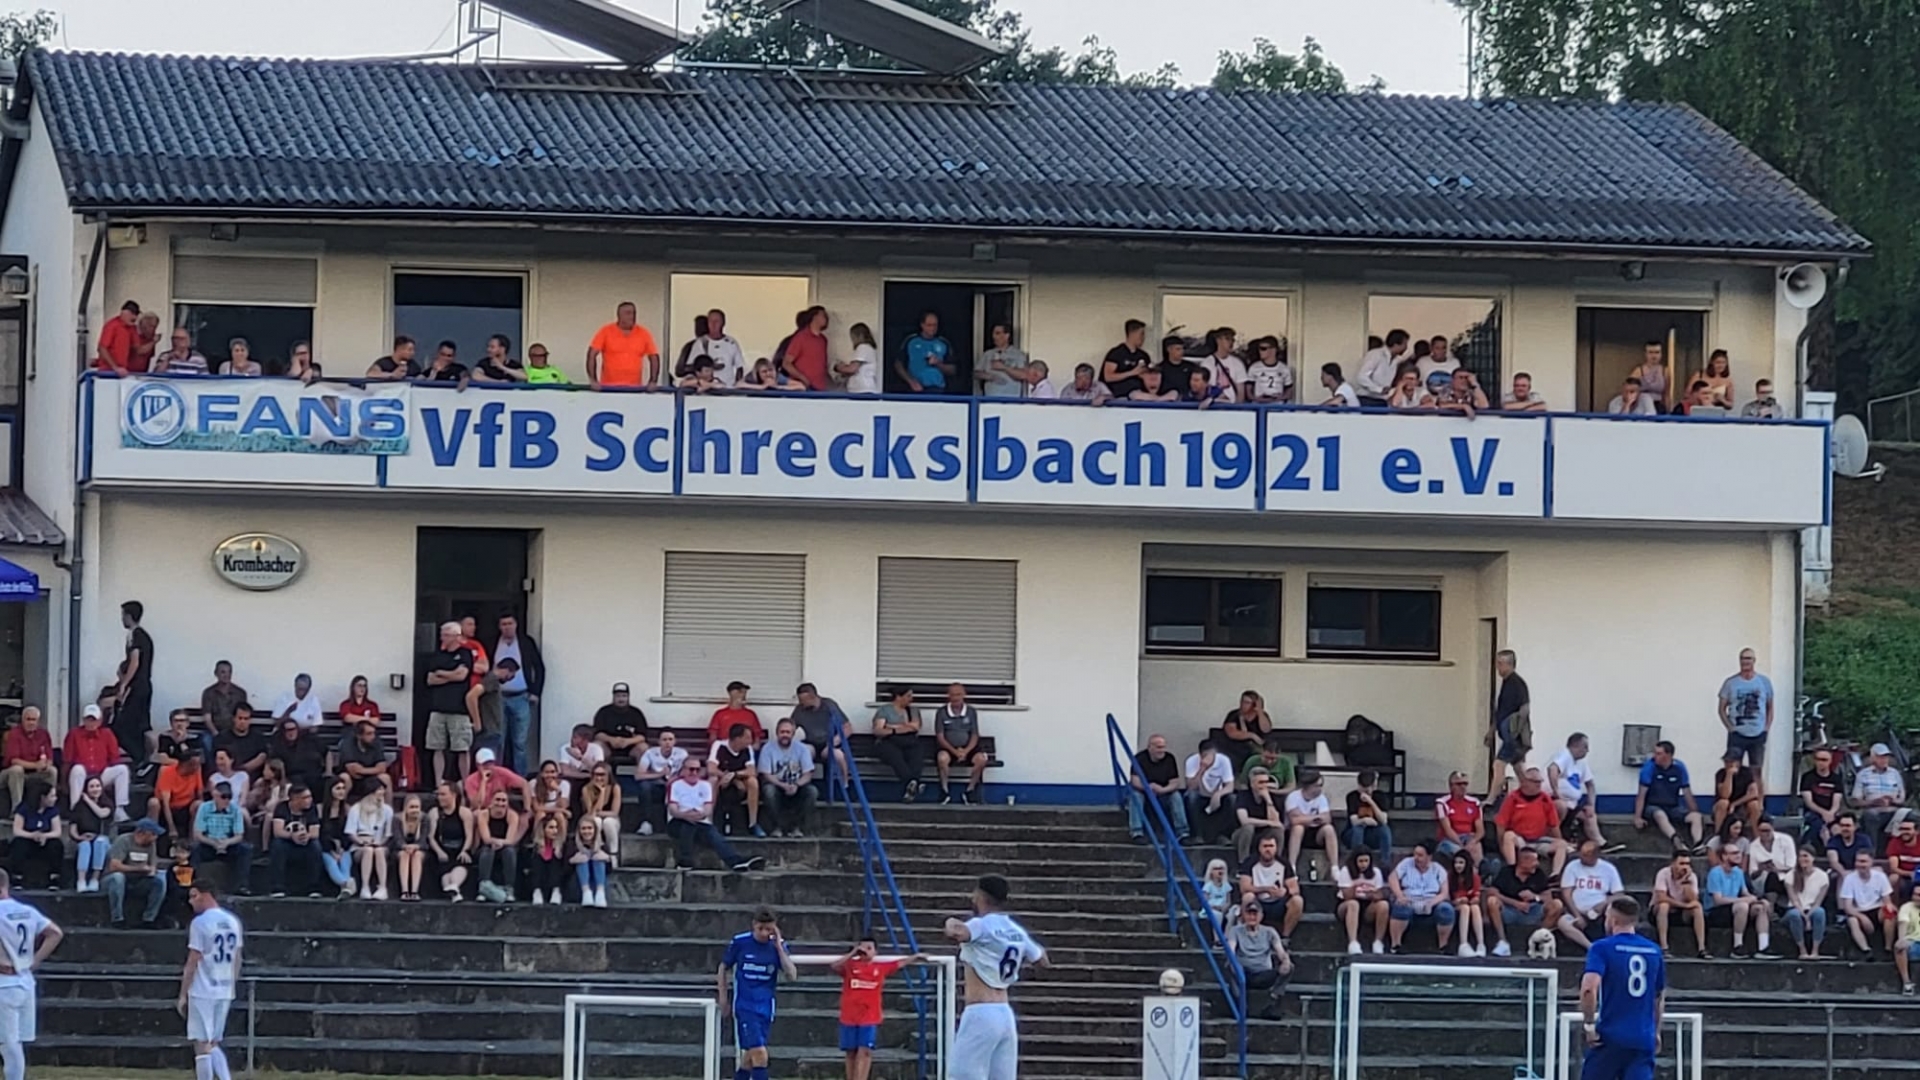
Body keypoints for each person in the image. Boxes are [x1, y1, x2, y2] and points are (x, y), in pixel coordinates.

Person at [945, 874, 1046, 1080]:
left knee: (961, 1075)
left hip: (980, 1011)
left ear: (981, 896)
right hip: (1005, 1013)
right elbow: (1042, 959)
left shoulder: (980, 925)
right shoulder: (1015, 930)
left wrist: (950, 921)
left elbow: (957, 933)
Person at [1578, 896, 1665, 1080]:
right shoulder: (1654, 950)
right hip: (1642, 1038)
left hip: (1610, 1036)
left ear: (1613, 920)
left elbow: (1589, 989)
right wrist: (1656, 1031)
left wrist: (1589, 1024)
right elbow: (1658, 997)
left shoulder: (1602, 948)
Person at [832, 936, 927, 1080]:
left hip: (869, 1016)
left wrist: (915, 957)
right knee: (850, 1052)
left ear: (875, 952)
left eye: (869, 948)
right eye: (863, 948)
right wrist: (853, 952)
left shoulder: (880, 967)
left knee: (865, 1051)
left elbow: (900, 963)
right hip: (849, 1016)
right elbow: (835, 966)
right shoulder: (850, 965)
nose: (865, 951)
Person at [720, 906, 798, 1080]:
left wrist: (779, 947)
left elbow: (792, 975)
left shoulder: (777, 946)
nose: (764, 933)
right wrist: (723, 997)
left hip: (765, 1008)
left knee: (750, 1058)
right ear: (753, 925)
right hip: (745, 1007)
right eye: (760, 928)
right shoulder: (740, 942)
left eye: (768, 929)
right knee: (760, 1054)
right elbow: (723, 967)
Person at [178, 878, 243, 1080]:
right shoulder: (232, 921)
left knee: (202, 1044)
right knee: (213, 1042)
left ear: (206, 895)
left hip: (203, 989)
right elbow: (237, 957)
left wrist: (183, 994)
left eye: (194, 896)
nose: (191, 901)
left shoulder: (200, 923)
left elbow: (193, 959)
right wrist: (232, 984)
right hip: (224, 988)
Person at [0, 869, 59, 1080]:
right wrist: (34, 961)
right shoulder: (27, 910)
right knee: (14, 1042)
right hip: (24, 980)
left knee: (8, 1043)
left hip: (4, 983)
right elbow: (55, 933)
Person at [667, 757, 763, 873]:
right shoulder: (675, 785)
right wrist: (686, 815)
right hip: (678, 821)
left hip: (700, 821)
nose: (694, 773)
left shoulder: (705, 786)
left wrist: (699, 815)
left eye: (697, 770)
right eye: (691, 769)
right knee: (688, 826)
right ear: (683, 770)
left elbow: (708, 809)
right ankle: (685, 860)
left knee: (712, 833)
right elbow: (673, 809)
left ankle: (735, 862)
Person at [1717, 648, 1774, 802]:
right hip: (1738, 734)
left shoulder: (1764, 682)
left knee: (1757, 770)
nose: (1745, 661)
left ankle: (1759, 805)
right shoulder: (1730, 683)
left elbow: (1770, 707)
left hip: (1758, 733)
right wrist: (1730, 727)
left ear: (1754, 661)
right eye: (1743, 658)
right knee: (1733, 769)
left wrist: (1766, 728)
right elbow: (1721, 708)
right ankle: (1733, 803)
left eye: (1748, 658)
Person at [424, 621, 476, 785]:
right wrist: (452, 675)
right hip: (438, 709)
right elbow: (430, 679)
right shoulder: (437, 656)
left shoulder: (466, 654)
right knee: (436, 747)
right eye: (442, 635)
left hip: (459, 710)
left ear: (456, 636)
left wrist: (442, 673)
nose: (442, 638)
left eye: (446, 635)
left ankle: (466, 783)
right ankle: (438, 783)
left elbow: (462, 676)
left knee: (462, 748)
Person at [1486, 846, 1560, 959]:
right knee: (1492, 901)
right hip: (1509, 910)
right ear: (1523, 861)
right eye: (1534, 860)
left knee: (1557, 905)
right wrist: (1515, 903)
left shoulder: (1539, 874)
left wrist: (1535, 897)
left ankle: (1537, 941)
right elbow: (1492, 892)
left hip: (1532, 910)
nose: (1537, 864)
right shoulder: (1506, 872)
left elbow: (1548, 897)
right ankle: (1502, 942)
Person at [1634, 741, 1708, 855]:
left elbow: (1687, 792)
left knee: (1696, 817)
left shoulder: (1679, 767)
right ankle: (1676, 840)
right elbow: (1641, 794)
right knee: (1660, 814)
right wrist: (1637, 817)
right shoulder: (1649, 768)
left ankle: (1698, 844)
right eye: (1655, 753)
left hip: (1673, 806)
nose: (1655, 756)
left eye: (1659, 753)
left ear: (1668, 755)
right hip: (1652, 806)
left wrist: (1694, 811)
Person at [1226, 899, 1292, 1020]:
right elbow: (1231, 950)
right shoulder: (1235, 931)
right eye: (1249, 914)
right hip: (1243, 972)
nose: (1252, 917)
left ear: (1261, 916)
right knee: (1229, 965)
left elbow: (1280, 951)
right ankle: (1240, 1003)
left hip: (1264, 973)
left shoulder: (1269, 931)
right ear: (1244, 915)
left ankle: (1273, 998)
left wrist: (1285, 960)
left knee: (1289, 967)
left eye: (1255, 914)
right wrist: (1234, 962)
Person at [1387, 842, 1455, 955]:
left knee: (1446, 909)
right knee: (1400, 907)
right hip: (1409, 899)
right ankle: (1396, 945)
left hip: (1431, 902)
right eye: (1415, 854)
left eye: (1420, 855)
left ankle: (1443, 946)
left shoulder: (1438, 869)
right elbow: (1392, 878)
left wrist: (1432, 903)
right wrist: (1400, 896)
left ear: (1429, 857)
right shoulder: (1406, 863)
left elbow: (1444, 893)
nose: (1416, 858)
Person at [1497, 768, 1568, 877]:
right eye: (1535, 782)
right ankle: (1512, 869)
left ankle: (1555, 874)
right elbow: (1501, 823)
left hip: (1539, 840)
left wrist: (1559, 839)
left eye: (1540, 781)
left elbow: (1554, 825)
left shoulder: (1545, 799)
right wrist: (1501, 845)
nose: (1538, 784)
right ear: (1525, 782)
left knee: (1561, 844)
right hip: (1520, 839)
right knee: (1508, 836)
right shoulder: (1513, 798)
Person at [1705, 841, 1770, 958]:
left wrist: (1756, 900)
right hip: (1716, 911)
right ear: (1724, 856)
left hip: (1734, 908)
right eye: (1734, 853)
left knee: (1760, 908)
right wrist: (1743, 900)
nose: (1739, 856)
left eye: (1739, 853)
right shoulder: (1715, 873)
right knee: (1742, 906)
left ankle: (1763, 947)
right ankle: (1737, 946)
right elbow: (1718, 900)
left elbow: (1745, 893)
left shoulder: (1739, 872)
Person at [1558, 839, 1626, 951]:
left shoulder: (1608, 869)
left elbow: (1619, 894)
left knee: (1615, 910)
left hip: (1601, 910)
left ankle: (1610, 944)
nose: (1582, 857)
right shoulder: (1572, 866)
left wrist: (1603, 904)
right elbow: (1566, 894)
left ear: (1596, 855)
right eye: (1582, 854)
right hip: (1577, 911)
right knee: (1563, 923)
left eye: (1586, 855)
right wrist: (1577, 915)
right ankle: (1590, 947)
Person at [1237, 833, 1304, 945]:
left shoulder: (1284, 863)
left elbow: (1295, 888)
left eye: (1271, 846)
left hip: (1278, 903)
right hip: (1258, 902)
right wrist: (1266, 889)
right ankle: (1247, 933)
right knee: (1247, 897)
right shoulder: (1249, 863)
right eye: (1265, 846)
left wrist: (1285, 891)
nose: (1268, 850)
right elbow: (1244, 887)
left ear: (1276, 848)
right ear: (1259, 848)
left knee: (1298, 901)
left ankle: (1285, 937)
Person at [1550, 733, 1612, 850]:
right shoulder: (1564, 756)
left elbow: (1590, 785)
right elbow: (1553, 769)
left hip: (1572, 803)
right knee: (1561, 806)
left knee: (1589, 815)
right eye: (1585, 747)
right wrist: (1557, 792)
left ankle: (1601, 843)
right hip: (1554, 801)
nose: (1587, 750)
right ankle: (1557, 840)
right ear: (1575, 746)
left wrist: (1591, 805)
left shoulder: (1581, 763)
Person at [757, 720, 818, 839]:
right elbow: (766, 774)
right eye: (782, 732)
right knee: (769, 791)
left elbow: (808, 773)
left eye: (788, 732)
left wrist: (796, 785)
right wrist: (782, 785)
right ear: (777, 733)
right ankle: (777, 827)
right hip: (776, 785)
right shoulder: (767, 748)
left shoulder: (802, 749)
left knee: (812, 792)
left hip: (797, 786)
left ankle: (797, 827)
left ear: (793, 734)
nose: (785, 735)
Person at [105, 818, 168, 928]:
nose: (155, 837)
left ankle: (149, 919)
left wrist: (151, 871)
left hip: (139, 880)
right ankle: (117, 918)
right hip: (115, 879)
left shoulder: (151, 845)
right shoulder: (123, 840)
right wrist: (138, 868)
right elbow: (114, 866)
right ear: (141, 833)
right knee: (118, 878)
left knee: (159, 882)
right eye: (153, 834)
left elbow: (153, 864)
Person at [190, 783, 252, 896]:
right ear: (215, 796)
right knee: (195, 849)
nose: (227, 800)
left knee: (245, 849)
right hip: (209, 843)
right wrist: (213, 843)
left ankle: (242, 886)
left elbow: (239, 835)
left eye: (229, 797)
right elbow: (198, 834)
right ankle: (192, 883)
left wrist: (227, 842)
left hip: (228, 844)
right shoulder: (204, 808)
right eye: (223, 797)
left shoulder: (235, 810)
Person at [869, 685, 928, 802]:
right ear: (898, 697)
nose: (911, 699)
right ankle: (911, 782)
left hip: (908, 740)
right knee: (895, 756)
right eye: (908, 696)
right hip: (888, 740)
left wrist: (891, 726)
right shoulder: (885, 710)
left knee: (917, 753)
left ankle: (912, 784)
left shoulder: (913, 711)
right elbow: (879, 730)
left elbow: (915, 727)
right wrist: (899, 729)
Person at [1487, 649, 1530, 802]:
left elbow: (1524, 709)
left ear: (1510, 664)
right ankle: (1531, 795)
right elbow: (1500, 711)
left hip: (1513, 736)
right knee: (1519, 768)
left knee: (1499, 765)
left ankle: (1491, 799)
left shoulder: (1517, 684)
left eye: (1501, 663)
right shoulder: (1507, 683)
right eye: (1497, 663)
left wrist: (1515, 732)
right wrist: (1492, 730)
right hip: (1509, 734)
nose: (1498, 667)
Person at [1128, 734, 1189, 843]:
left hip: (1163, 791)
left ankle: (1183, 833)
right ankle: (1137, 833)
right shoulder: (1140, 758)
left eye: (1163, 747)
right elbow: (1135, 781)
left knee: (1176, 796)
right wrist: (1148, 788)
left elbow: (1175, 782)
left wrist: (1162, 790)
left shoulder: (1169, 758)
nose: (1162, 750)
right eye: (1158, 747)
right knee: (1135, 795)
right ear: (1149, 747)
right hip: (1144, 791)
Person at [114, 600, 155, 763]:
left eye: (123, 615)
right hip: (144, 686)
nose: (122, 619)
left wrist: (124, 684)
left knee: (125, 726)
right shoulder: (144, 636)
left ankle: (139, 757)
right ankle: (144, 757)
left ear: (129, 616)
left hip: (137, 687)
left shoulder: (135, 635)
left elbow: (135, 661)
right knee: (141, 724)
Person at [587, 301, 661, 389]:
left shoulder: (643, 333)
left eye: (634, 313)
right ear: (619, 316)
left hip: (634, 389)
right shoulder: (606, 331)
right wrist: (593, 380)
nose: (632, 316)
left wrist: (653, 381)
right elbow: (591, 354)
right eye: (628, 313)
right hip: (608, 388)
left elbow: (654, 357)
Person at [268, 785, 326, 898]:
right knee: (277, 844)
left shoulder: (311, 809)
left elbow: (315, 833)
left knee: (316, 846)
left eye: (309, 797)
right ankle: (277, 887)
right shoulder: (282, 807)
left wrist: (306, 836)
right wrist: (292, 836)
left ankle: (314, 887)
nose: (309, 800)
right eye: (305, 797)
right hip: (287, 842)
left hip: (305, 843)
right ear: (295, 799)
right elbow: (277, 831)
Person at [934, 684, 987, 805]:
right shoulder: (941, 712)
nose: (955, 698)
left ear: (964, 695)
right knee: (942, 759)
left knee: (981, 760)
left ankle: (970, 791)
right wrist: (955, 752)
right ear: (948, 696)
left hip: (968, 749)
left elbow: (974, 734)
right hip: (948, 748)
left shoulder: (971, 711)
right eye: (952, 695)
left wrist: (965, 751)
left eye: (958, 694)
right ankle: (944, 791)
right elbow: (940, 736)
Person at [1838, 848, 1895, 959]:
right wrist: (1862, 917)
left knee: (1890, 912)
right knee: (1852, 921)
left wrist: (1889, 907)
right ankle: (1866, 950)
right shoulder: (1849, 879)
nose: (1860, 864)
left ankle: (1888, 949)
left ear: (1871, 862)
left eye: (1863, 861)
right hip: (1858, 911)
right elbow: (1847, 907)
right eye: (1858, 861)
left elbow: (1887, 901)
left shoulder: (1880, 876)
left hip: (1877, 908)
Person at [709, 725, 762, 837]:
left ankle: (753, 823)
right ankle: (709, 820)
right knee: (712, 780)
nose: (750, 741)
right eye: (747, 737)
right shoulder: (719, 745)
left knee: (753, 782)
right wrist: (727, 777)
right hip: (721, 779)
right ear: (737, 738)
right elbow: (711, 768)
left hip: (740, 780)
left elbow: (752, 771)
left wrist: (734, 776)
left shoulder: (748, 749)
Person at [1335, 848, 1390, 955]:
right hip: (1347, 904)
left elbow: (1380, 894)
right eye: (1361, 861)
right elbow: (1346, 896)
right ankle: (1353, 942)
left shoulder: (1376, 872)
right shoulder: (1346, 871)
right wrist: (1356, 886)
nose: (1364, 864)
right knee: (1353, 904)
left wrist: (1371, 894)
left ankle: (1378, 942)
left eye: (1366, 861)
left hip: (1367, 904)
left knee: (1384, 905)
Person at [1284, 770, 1338, 877]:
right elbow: (1294, 820)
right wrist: (1315, 818)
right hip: (1294, 833)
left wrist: (1305, 818)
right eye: (1317, 786)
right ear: (1308, 786)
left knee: (1329, 829)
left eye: (1321, 785)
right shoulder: (1293, 797)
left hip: (1316, 833)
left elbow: (1327, 818)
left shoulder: (1321, 798)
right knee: (1298, 828)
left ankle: (1334, 867)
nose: (1320, 788)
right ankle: (1292, 865)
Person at [1851, 742, 1910, 841]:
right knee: (1870, 816)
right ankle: (1872, 849)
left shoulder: (1895, 773)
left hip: (1894, 810)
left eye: (1886, 757)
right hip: (1874, 810)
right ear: (1873, 758)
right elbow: (1855, 801)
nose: (1884, 760)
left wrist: (1893, 800)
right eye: (1880, 757)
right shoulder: (1863, 774)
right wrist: (1873, 802)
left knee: (1913, 816)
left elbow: (1902, 799)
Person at [591, 681, 651, 777]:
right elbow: (598, 734)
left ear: (628, 697)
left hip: (631, 748)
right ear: (613, 697)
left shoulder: (636, 713)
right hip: (609, 747)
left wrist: (627, 741)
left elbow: (642, 736)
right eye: (618, 696)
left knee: (643, 747)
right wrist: (611, 740)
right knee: (596, 745)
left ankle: (642, 778)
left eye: (624, 696)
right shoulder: (603, 712)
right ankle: (599, 777)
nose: (621, 699)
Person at [0, 707, 53, 813]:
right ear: (22, 720)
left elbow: (49, 758)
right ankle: (18, 810)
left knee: (52, 771)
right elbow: (14, 761)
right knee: (17, 770)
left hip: (34, 773)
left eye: (34, 720)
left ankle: (48, 808)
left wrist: (46, 764)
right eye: (28, 719)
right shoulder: (14, 733)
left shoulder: (43, 734)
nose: (31, 723)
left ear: (38, 721)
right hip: (8, 774)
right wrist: (36, 765)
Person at [427, 782, 474, 902]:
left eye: (443, 794)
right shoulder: (434, 812)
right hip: (442, 850)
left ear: (453, 795)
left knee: (460, 865)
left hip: (459, 849)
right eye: (438, 795)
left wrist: (464, 850)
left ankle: (454, 888)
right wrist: (439, 852)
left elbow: (469, 836)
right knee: (445, 872)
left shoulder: (464, 812)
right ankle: (455, 892)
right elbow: (431, 837)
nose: (440, 798)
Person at [474, 790, 523, 904]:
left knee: (510, 852)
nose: (500, 803)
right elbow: (486, 838)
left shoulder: (512, 815)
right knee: (488, 851)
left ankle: (509, 888)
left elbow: (510, 840)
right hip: (486, 847)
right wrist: (496, 842)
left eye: (503, 800)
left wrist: (499, 842)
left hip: (505, 846)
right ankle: (483, 888)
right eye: (497, 800)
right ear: (491, 801)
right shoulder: (484, 814)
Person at [635, 731, 687, 837]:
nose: (667, 742)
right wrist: (659, 774)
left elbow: (687, 772)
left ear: (675, 741)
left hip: (676, 785)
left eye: (670, 739)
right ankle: (646, 823)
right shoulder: (650, 753)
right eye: (664, 739)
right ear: (659, 742)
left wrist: (673, 779)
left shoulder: (682, 754)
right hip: (657, 784)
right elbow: (639, 775)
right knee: (644, 787)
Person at [6, 786, 59, 890]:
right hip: (27, 838)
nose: (55, 798)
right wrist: (32, 835)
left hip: (44, 840)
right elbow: (17, 830)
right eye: (52, 796)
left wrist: (44, 836)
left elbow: (57, 831)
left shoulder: (53, 810)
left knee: (56, 845)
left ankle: (54, 879)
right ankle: (17, 878)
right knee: (18, 844)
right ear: (43, 797)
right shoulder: (24, 808)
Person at [1185, 740, 1237, 846]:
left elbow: (1230, 786)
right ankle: (1197, 835)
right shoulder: (1191, 761)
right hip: (1200, 793)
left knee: (1232, 799)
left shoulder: (1224, 760)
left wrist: (1219, 794)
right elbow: (1191, 787)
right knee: (1191, 797)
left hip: (1217, 794)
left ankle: (1223, 835)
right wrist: (1202, 769)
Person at [1783, 847, 1831, 960]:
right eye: (1800, 856)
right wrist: (1805, 917)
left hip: (1812, 909)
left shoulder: (1822, 876)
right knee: (1795, 915)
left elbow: (1818, 902)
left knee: (1820, 912)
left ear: (1813, 858)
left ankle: (1815, 950)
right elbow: (1794, 900)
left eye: (1805, 856)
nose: (1802, 859)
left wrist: (1808, 916)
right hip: (1795, 909)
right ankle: (1802, 950)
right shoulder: (1791, 875)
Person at [1233, 768, 1286, 865]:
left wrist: (1268, 800)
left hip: (1263, 834)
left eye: (1266, 782)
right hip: (1242, 834)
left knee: (1278, 831)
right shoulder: (1243, 796)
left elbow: (1276, 822)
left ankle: (1276, 862)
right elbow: (1244, 820)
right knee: (1248, 828)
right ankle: (1243, 863)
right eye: (1261, 782)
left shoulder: (1272, 797)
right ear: (1252, 784)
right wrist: (1268, 822)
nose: (1264, 785)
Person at [349, 786, 392, 900]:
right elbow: (351, 833)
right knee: (368, 850)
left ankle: (382, 887)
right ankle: (365, 887)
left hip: (380, 845)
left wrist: (380, 842)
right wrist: (362, 842)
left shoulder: (387, 810)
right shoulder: (356, 809)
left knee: (378, 851)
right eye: (378, 790)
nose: (381, 793)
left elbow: (388, 834)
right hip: (360, 846)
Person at [70, 777, 113, 894]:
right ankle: (81, 880)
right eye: (92, 786)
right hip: (85, 838)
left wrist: (88, 801)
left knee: (100, 842)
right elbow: (73, 828)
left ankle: (95, 879)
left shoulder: (107, 803)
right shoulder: (79, 807)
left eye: (98, 786)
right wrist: (79, 838)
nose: (95, 789)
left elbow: (102, 814)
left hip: (102, 839)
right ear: (86, 789)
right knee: (85, 845)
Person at [897, 312, 955, 394]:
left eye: (935, 325)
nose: (932, 328)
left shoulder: (943, 343)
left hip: (937, 389)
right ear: (922, 325)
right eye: (929, 325)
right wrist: (910, 381)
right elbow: (898, 364)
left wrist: (938, 364)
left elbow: (953, 370)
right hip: (914, 388)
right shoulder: (911, 341)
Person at [1798, 747, 1846, 847]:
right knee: (1818, 826)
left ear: (1830, 761)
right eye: (1818, 759)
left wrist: (1831, 813)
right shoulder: (1808, 777)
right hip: (1812, 812)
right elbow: (1809, 802)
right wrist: (1824, 813)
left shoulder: (1836, 779)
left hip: (1831, 813)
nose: (1821, 762)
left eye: (1824, 760)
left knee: (1839, 829)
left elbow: (1837, 801)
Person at [1434, 771, 1484, 864]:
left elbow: (1480, 831)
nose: (1462, 787)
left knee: (1477, 847)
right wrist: (1462, 845)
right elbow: (1447, 830)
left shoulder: (1474, 803)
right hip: (1449, 840)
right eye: (1458, 784)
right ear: (1451, 786)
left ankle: (1477, 871)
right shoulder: (1442, 803)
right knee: (1461, 853)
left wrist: (1472, 842)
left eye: (1465, 784)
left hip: (1468, 838)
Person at [1216, 691, 1272, 771]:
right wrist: (1252, 735)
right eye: (1242, 701)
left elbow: (1266, 729)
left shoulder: (1262, 716)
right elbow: (1232, 733)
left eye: (1247, 703)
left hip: (1256, 749)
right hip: (1236, 747)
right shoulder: (1234, 715)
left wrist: (1259, 711)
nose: (1243, 705)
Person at [1447, 848, 1488, 958]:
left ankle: (1481, 944)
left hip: (1469, 903)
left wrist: (1474, 899)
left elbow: (1476, 894)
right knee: (1465, 908)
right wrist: (1458, 901)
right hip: (1454, 904)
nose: (1458, 866)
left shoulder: (1474, 877)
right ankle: (1463, 944)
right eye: (1456, 863)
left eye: (1461, 863)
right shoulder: (1449, 876)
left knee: (1475, 908)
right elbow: (1448, 897)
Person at [579, 763, 622, 865]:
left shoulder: (615, 787)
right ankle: (595, 851)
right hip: (592, 819)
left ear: (608, 775)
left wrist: (598, 813)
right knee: (596, 821)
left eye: (602, 775)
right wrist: (602, 792)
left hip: (612, 819)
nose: (599, 778)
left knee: (608, 822)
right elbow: (591, 812)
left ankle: (613, 854)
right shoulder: (586, 789)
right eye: (596, 774)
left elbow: (614, 812)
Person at [1712, 750, 1763, 836]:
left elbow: (1754, 793)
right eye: (1726, 762)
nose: (1728, 764)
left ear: (1738, 762)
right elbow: (1725, 795)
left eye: (1731, 761)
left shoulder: (1747, 772)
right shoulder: (1720, 774)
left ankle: (1757, 836)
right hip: (1725, 807)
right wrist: (1729, 775)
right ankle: (1718, 835)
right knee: (1723, 803)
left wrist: (1735, 804)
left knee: (1754, 804)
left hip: (1742, 805)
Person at [975, 323, 1033, 398]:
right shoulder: (988, 354)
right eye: (993, 334)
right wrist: (990, 377)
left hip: (1012, 399)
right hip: (990, 399)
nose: (994, 336)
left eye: (997, 333)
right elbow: (976, 373)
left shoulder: (1018, 355)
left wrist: (1004, 367)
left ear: (1007, 336)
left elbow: (1024, 375)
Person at [568, 817, 613, 908]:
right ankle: (586, 892)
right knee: (582, 859)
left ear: (595, 830)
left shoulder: (602, 844)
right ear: (579, 830)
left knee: (598, 858)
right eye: (583, 828)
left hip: (598, 883)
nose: (586, 831)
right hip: (578, 884)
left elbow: (609, 870)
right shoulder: (572, 844)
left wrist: (607, 858)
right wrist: (572, 860)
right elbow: (564, 870)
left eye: (589, 828)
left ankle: (600, 893)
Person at [1355, 329, 1407, 406]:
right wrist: (1379, 389)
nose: (1406, 348)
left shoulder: (1396, 360)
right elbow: (1361, 377)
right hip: (1367, 399)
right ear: (1396, 344)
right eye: (1404, 344)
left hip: (1382, 400)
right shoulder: (1376, 355)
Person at [392, 794, 428, 902]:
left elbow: (424, 839)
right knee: (405, 855)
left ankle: (414, 891)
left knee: (417, 855)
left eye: (417, 807)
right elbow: (397, 839)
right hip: (400, 849)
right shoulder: (397, 819)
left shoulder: (424, 818)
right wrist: (405, 846)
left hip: (420, 849)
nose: (415, 810)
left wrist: (416, 846)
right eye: (412, 807)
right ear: (405, 808)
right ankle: (405, 891)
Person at [529, 815, 569, 905]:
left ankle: (556, 891)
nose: (555, 831)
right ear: (543, 830)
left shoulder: (563, 845)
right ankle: (537, 891)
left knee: (555, 862)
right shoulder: (534, 846)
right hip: (540, 879)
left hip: (556, 880)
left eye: (556, 827)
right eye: (551, 827)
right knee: (537, 860)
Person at [708, 681, 764, 745]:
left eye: (745, 693)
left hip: (745, 747)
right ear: (732, 693)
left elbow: (757, 737)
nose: (744, 695)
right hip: (725, 747)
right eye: (740, 692)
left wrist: (753, 747)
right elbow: (713, 737)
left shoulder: (750, 714)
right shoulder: (720, 714)